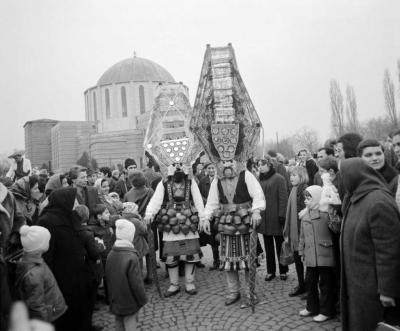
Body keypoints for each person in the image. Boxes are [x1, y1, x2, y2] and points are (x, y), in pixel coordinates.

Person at [340, 158, 400, 330]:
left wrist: (388, 290)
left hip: (373, 289)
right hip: (359, 284)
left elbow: (389, 251)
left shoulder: (377, 202)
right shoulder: (357, 198)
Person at [203, 159, 265, 308]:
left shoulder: (246, 175)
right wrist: (206, 218)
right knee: (228, 259)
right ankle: (233, 292)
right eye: (223, 161)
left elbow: (258, 195)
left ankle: (250, 292)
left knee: (248, 260)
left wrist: (256, 211)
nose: (226, 165)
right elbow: (212, 201)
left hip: (244, 221)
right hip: (226, 222)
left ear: (236, 160)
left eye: (230, 161)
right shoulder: (216, 179)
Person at [144, 163, 205, 296]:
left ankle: (189, 282)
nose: (178, 167)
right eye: (175, 165)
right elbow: (156, 200)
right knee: (171, 255)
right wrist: (149, 213)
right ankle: (174, 284)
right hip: (170, 222)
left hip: (189, 221)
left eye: (181, 165)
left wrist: (203, 216)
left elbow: (198, 200)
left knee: (191, 254)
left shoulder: (191, 181)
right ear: (169, 167)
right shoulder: (164, 183)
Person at [38, 187, 91, 331]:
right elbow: (48, 255)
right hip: (62, 275)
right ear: (63, 201)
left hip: (77, 270)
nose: (75, 204)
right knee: (68, 310)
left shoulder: (69, 215)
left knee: (80, 303)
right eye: (73, 201)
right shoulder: (46, 220)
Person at [298, 186, 336, 322]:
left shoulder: (325, 214)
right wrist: (301, 250)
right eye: (305, 198)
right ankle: (312, 307)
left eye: (309, 198)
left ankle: (327, 310)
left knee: (326, 283)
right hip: (311, 255)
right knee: (310, 282)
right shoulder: (304, 216)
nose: (306, 201)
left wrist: (333, 215)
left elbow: (336, 229)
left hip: (324, 253)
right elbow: (302, 236)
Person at [15, 225, 67, 324]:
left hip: (52, 310)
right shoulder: (34, 273)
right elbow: (36, 305)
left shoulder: (35, 261)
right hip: (48, 317)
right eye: (47, 241)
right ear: (40, 246)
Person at [106, 219, 147, 331]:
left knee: (119, 322)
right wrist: (142, 299)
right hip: (129, 302)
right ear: (130, 236)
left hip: (116, 300)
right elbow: (136, 283)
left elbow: (108, 278)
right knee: (130, 324)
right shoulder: (131, 257)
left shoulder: (111, 254)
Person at [257, 156, 288, 281]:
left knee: (280, 245)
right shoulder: (260, 179)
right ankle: (270, 271)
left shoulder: (279, 178)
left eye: (262, 164)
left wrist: (282, 215)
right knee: (268, 246)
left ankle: (283, 270)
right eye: (259, 165)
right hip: (264, 219)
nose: (260, 167)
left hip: (276, 217)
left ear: (269, 165)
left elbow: (283, 198)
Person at [283, 166, 308, 297]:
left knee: (307, 261)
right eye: (290, 175)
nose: (291, 177)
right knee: (298, 260)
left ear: (301, 176)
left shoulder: (304, 190)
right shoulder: (293, 189)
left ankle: (309, 287)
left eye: (294, 175)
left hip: (303, 232)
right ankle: (302, 285)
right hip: (295, 232)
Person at [198, 163, 220, 270]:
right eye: (209, 168)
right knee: (213, 240)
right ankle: (216, 261)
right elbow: (199, 195)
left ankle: (226, 260)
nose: (211, 170)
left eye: (213, 168)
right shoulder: (203, 181)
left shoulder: (220, 179)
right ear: (206, 170)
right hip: (209, 213)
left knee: (222, 237)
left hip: (220, 213)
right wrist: (206, 203)